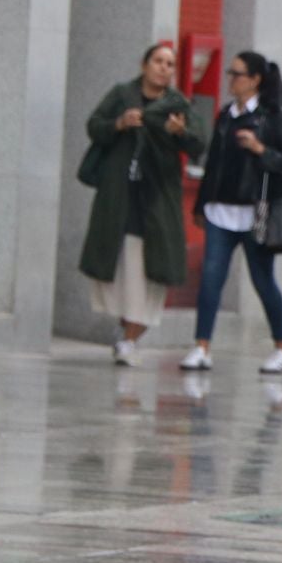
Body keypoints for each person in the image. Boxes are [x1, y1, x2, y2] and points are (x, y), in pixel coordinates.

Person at [78, 44, 206, 365]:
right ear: (144, 64)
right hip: (119, 197)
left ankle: (129, 339)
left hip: (156, 202)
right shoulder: (122, 94)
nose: (164, 68)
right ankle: (126, 336)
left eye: (170, 64)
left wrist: (180, 132)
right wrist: (119, 124)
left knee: (149, 275)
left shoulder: (177, 105)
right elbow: (94, 126)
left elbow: (199, 144)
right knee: (122, 273)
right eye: (158, 61)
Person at [180, 51, 282, 375]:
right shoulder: (225, 115)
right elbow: (213, 165)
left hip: (255, 213)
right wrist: (201, 205)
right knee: (210, 279)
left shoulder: (273, 116)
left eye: (237, 74)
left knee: (263, 280)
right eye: (230, 74)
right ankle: (201, 346)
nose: (231, 79)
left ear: (255, 79)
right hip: (221, 210)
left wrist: (260, 149)